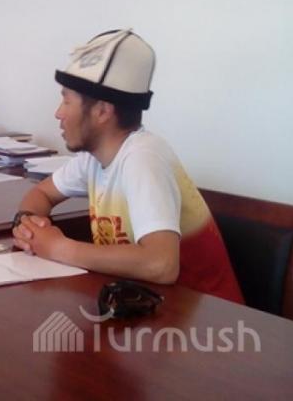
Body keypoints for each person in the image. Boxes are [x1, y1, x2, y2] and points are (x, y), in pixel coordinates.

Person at [12, 29, 243, 303]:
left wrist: (60, 248)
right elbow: (42, 193)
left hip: (207, 319)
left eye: (66, 100)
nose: (58, 113)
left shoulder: (144, 158)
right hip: (148, 308)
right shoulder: (93, 157)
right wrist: (29, 224)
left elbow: (162, 264)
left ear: (102, 111)